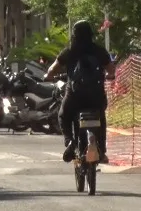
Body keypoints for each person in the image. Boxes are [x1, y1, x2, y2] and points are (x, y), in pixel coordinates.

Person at [44, 20, 115, 164]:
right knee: (100, 118)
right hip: (96, 96)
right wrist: (109, 76)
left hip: (74, 96)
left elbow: (52, 70)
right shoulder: (98, 50)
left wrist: (48, 76)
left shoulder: (70, 51)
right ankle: (101, 151)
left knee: (63, 115)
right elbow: (111, 69)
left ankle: (70, 141)